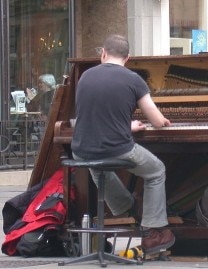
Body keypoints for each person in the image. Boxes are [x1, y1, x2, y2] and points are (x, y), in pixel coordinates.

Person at [71, 34, 175, 255]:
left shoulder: (85, 76)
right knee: (156, 170)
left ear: (103, 53)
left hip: (81, 149)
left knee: (98, 167)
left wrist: (126, 125)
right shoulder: (133, 79)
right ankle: (151, 231)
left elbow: (95, 116)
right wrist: (163, 121)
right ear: (128, 58)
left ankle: (127, 207)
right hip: (117, 148)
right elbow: (156, 121)